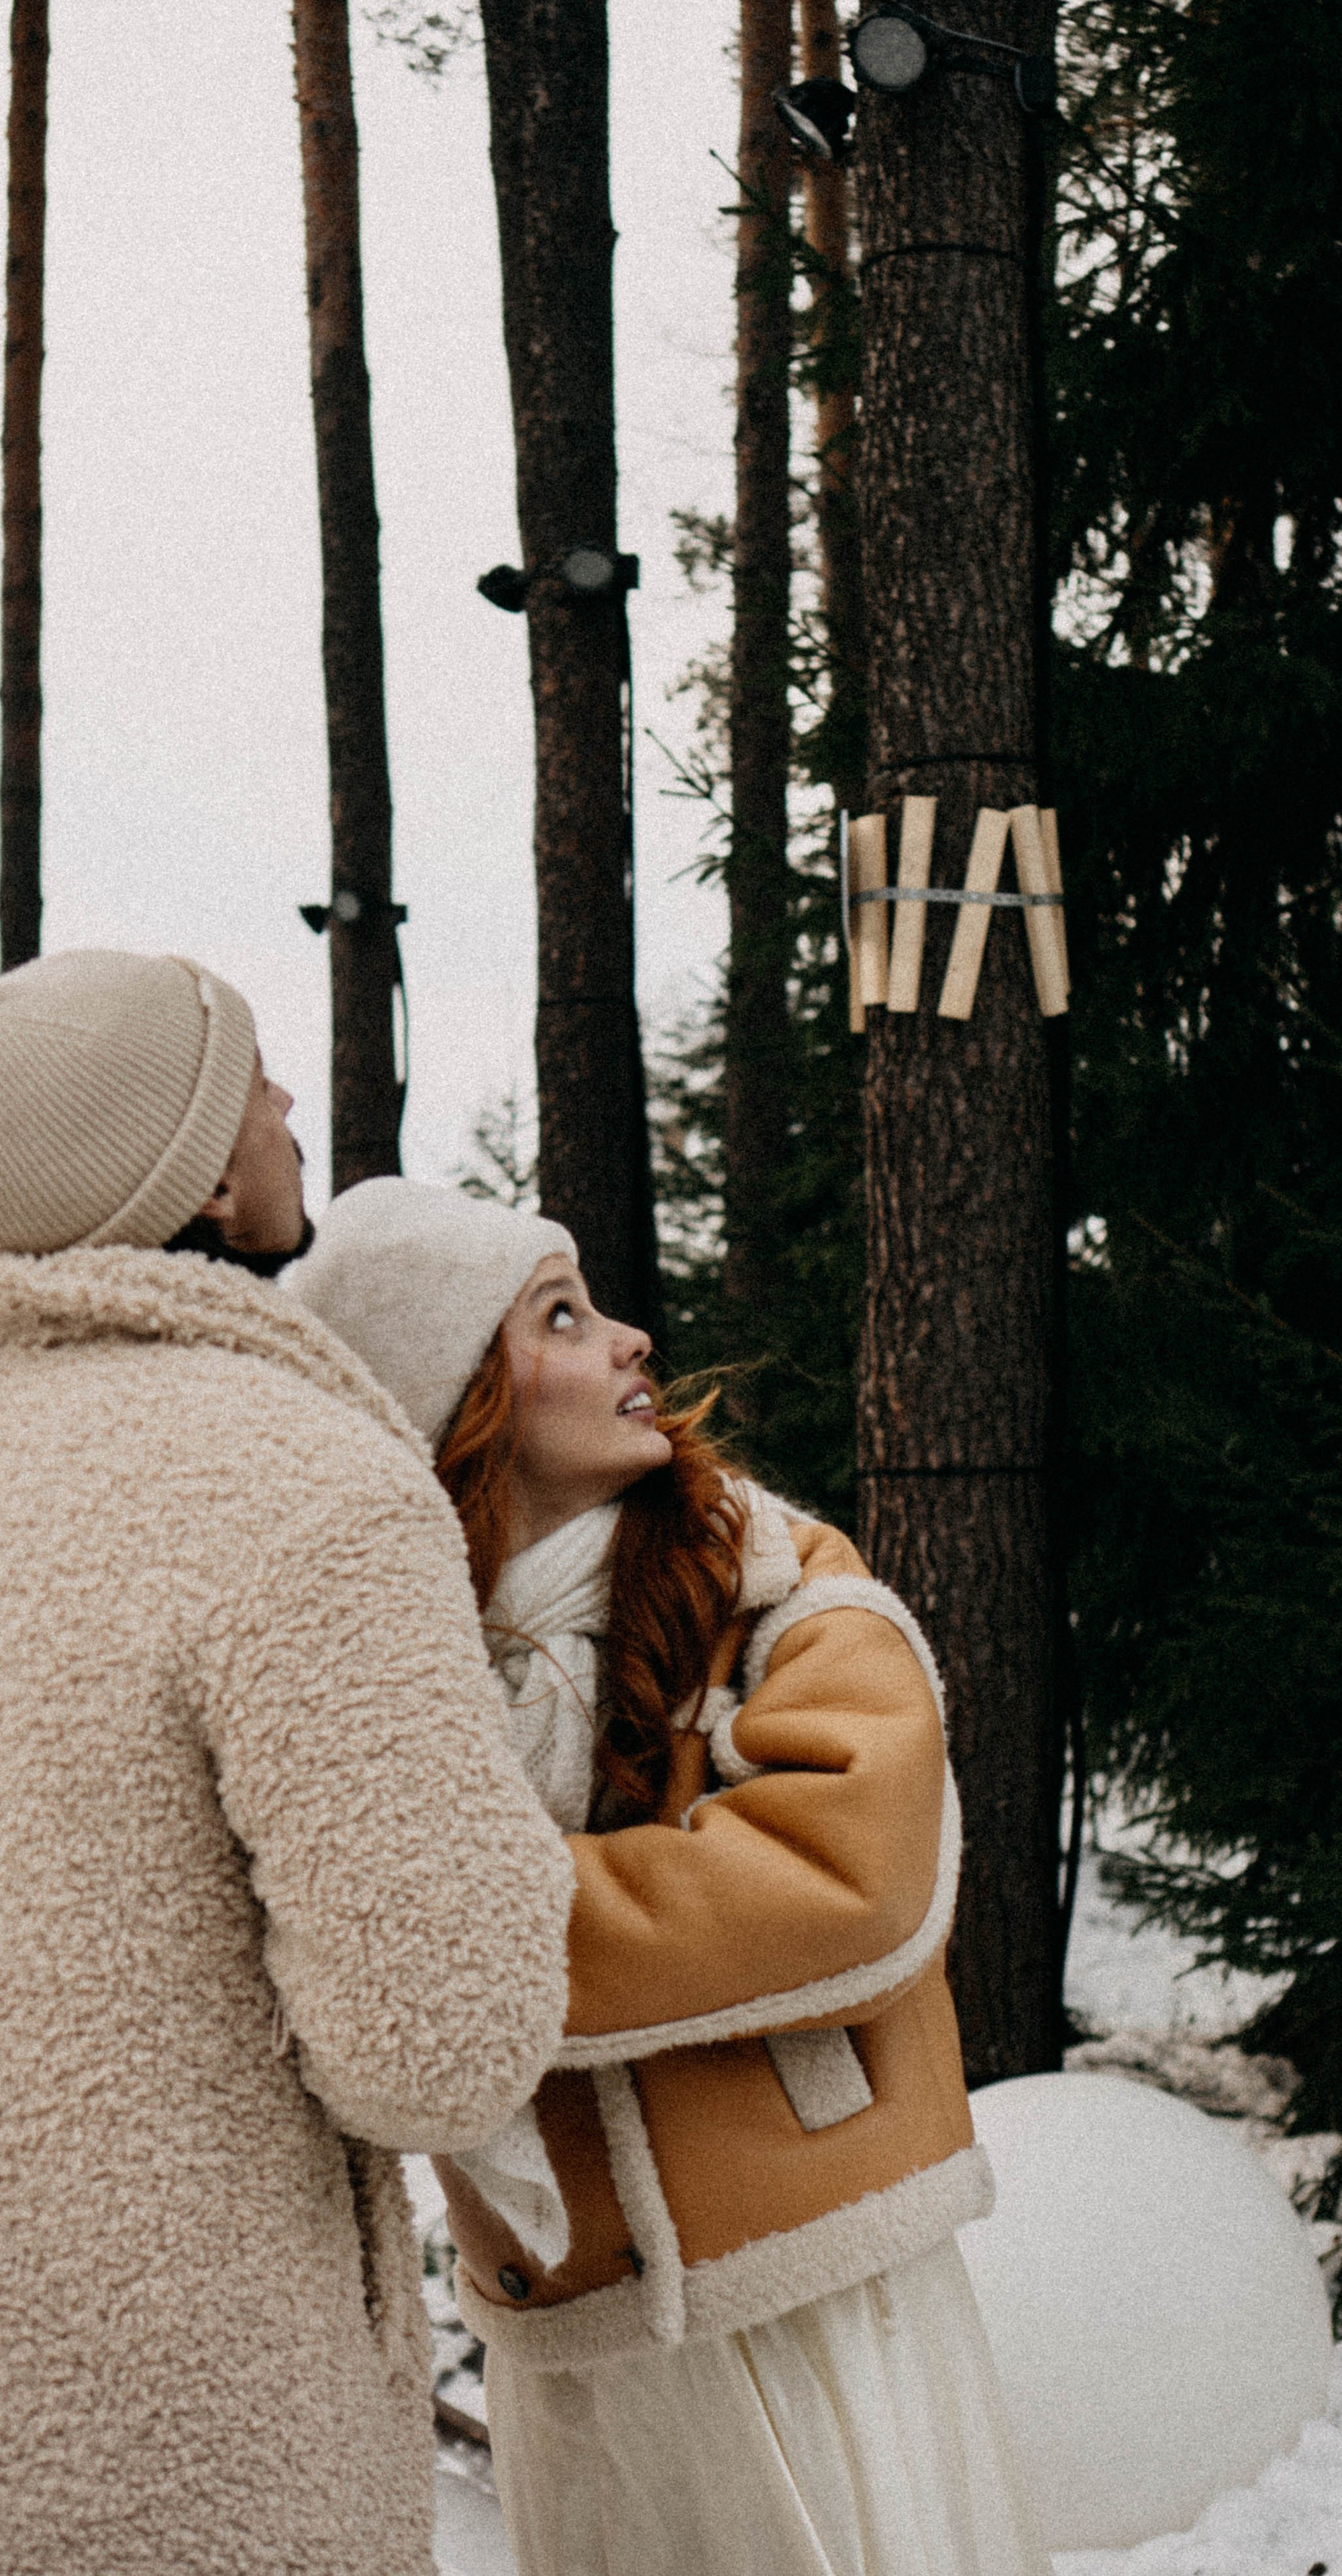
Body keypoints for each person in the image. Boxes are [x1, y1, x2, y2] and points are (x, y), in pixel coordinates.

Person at [292, 1175, 1052, 2576]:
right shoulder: (390, 1672)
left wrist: (470, 1942)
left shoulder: (769, 1580)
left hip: (815, 2290)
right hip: (572, 2323)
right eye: (563, 1319)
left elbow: (848, 1876)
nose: (633, 1339)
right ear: (458, 1397)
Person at [0, 950, 578, 2575]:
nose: (283, 1104)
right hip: (175, 2426)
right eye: (245, 1076)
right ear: (170, 1159)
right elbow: (439, 2037)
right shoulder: (298, 1485)